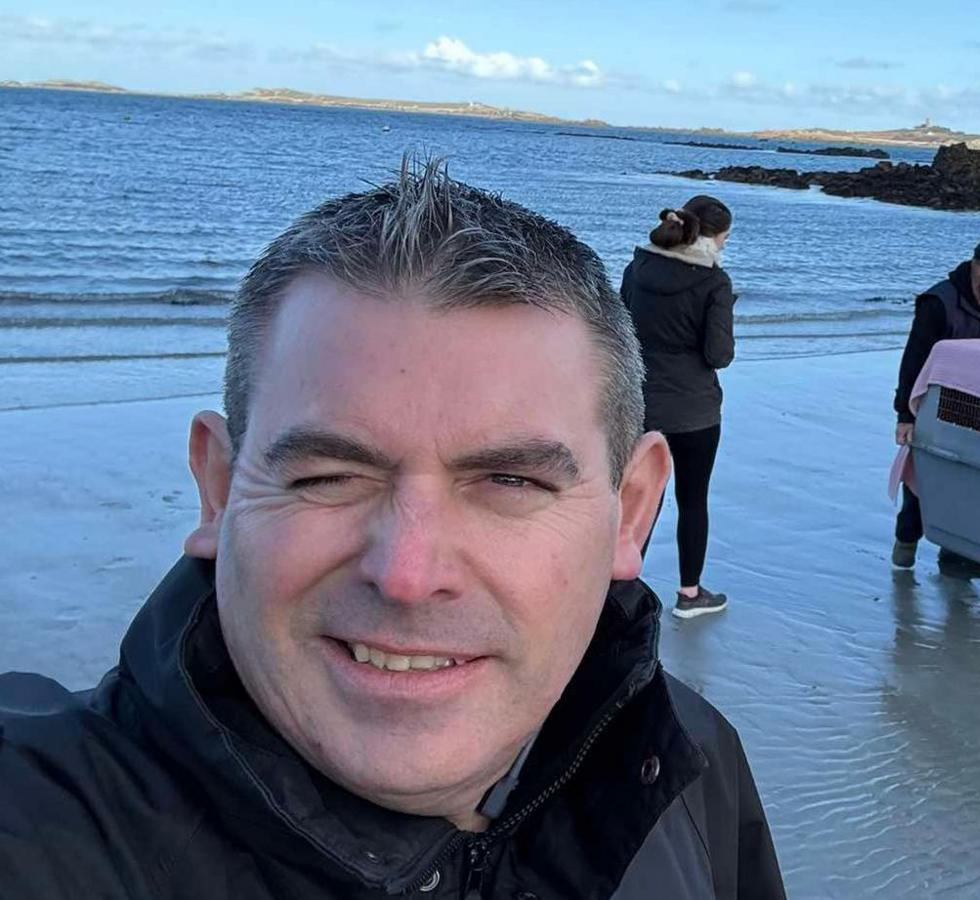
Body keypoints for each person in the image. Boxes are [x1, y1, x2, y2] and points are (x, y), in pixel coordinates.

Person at [0, 158, 786, 898]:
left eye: (510, 480)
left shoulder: (687, 763)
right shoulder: (42, 821)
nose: (408, 573)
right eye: (328, 477)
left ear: (633, 513)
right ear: (219, 490)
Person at [620, 195, 737, 620]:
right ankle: (689, 593)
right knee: (693, 500)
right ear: (711, 237)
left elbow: (621, 330)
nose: (725, 247)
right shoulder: (714, 284)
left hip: (637, 402)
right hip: (694, 411)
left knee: (636, 497)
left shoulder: (639, 267)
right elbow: (719, 354)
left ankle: (621, 586)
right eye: (724, 239)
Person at [891, 234, 980, 572]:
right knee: (924, 486)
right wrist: (905, 415)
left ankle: (956, 557)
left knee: (972, 486)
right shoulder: (938, 301)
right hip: (936, 410)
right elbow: (913, 360)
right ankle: (905, 544)